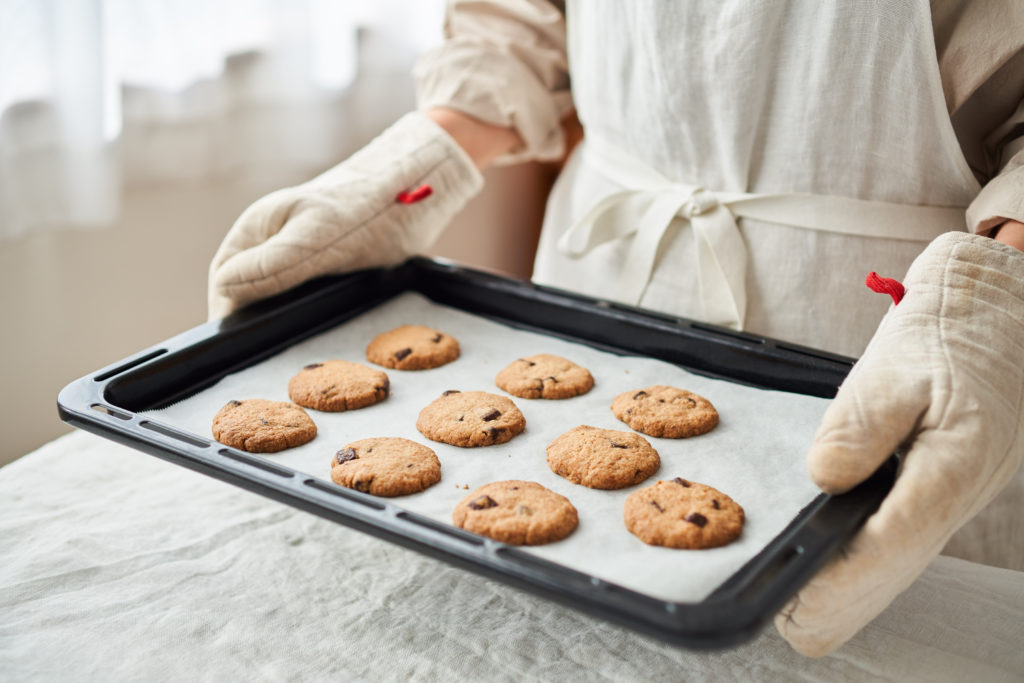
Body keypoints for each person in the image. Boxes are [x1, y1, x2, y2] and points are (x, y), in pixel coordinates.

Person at [206, 1, 1024, 657]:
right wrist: (419, 161)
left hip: (915, 327)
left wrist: (997, 297)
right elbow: (522, 18)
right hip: (603, 278)